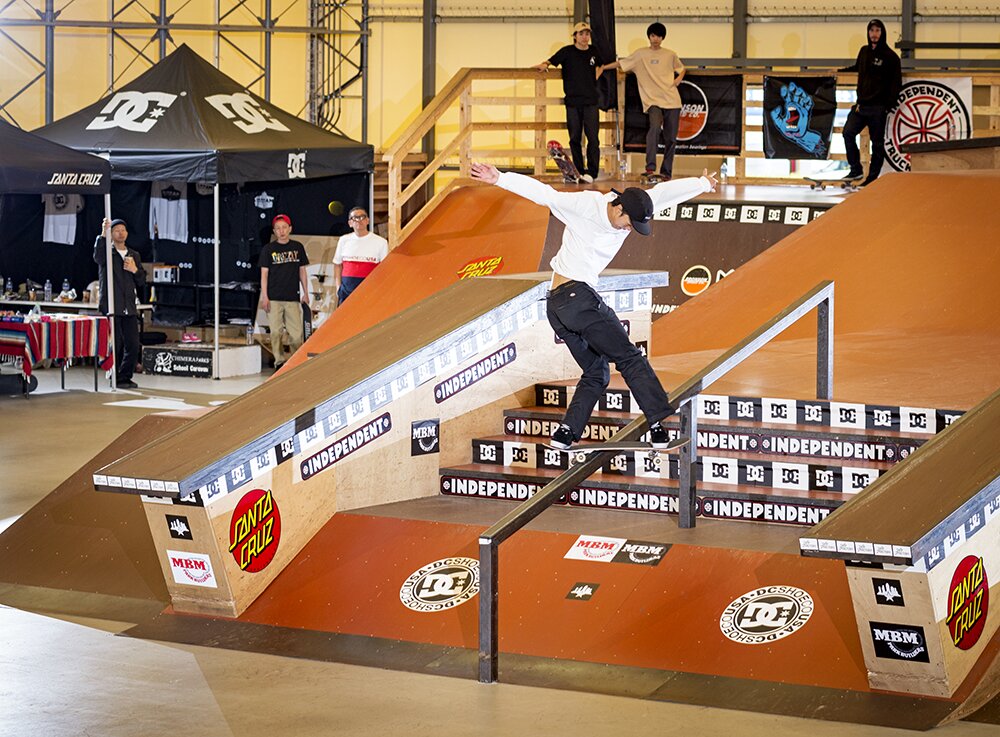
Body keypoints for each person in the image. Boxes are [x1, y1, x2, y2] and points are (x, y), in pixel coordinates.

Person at [469, 160, 717, 449]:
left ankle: (565, 433)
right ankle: (659, 426)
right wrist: (500, 178)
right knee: (630, 358)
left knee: (596, 372)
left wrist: (702, 184)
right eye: (629, 224)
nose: (629, 230)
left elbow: (663, 194)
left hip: (558, 308)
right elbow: (545, 195)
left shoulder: (634, 204)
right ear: (619, 209)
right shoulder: (585, 206)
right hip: (578, 298)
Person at [602, 22, 685, 180]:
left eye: (659, 36)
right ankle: (650, 168)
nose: (656, 39)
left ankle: (666, 172)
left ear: (663, 38)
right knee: (654, 128)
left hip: (672, 101)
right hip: (653, 101)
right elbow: (622, 63)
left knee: (671, 138)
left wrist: (678, 79)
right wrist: (603, 68)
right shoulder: (640, 54)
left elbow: (682, 68)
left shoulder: (670, 54)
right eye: (653, 35)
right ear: (649, 37)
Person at [533, 22, 605, 183]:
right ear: (575, 36)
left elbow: (602, 65)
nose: (585, 37)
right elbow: (551, 61)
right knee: (574, 137)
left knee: (593, 138)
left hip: (591, 101)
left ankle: (592, 172)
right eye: (581, 34)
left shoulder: (593, 51)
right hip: (573, 101)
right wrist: (544, 65)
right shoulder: (567, 51)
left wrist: (594, 77)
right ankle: (578, 171)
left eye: (587, 34)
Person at [840, 19, 901, 185]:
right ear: (868, 32)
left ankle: (872, 178)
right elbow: (857, 68)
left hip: (878, 108)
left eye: (877, 31)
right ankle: (856, 169)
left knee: (877, 144)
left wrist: (888, 106)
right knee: (847, 133)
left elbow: (896, 83)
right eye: (871, 30)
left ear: (883, 33)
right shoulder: (864, 51)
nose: (874, 34)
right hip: (861, 106)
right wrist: (837, 71)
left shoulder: (891, 57)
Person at [94, 218, 145, 389]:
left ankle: (125, 376)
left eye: (123, 230)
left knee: (133, 344)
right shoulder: (108, 253)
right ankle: (114, 376)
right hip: (112, 305)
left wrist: (135, 270)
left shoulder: (133, 255)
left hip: (129, 305)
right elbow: (97, 257)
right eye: (117, 230)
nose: (121, 233)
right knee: (115, 344)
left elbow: (142, 281)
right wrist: (103, 234)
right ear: (111, 234)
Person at [259, 214, 310, 369]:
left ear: (290, 229)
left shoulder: (297, 247)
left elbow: (302, 271)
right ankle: (279, 361)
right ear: (274, 231)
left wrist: (306, 292)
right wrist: (265, 296)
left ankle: (295, 361)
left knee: (296, 335)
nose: (281, 231)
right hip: (274, 298)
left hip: (292, 297)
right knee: (275, 332)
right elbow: (264, 274)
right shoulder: (268, 249)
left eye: (284, 227)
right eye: (278, 228)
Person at [333, 207, 388, 305]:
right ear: (350, 223)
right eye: (355, 218)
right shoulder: (343, 240)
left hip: (371, 294)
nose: (359, 220)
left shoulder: (381, 242)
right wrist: (338, 288)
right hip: (346, 294)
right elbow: (337, 265)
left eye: (362, 217)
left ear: (367, 221)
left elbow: (385, 269)